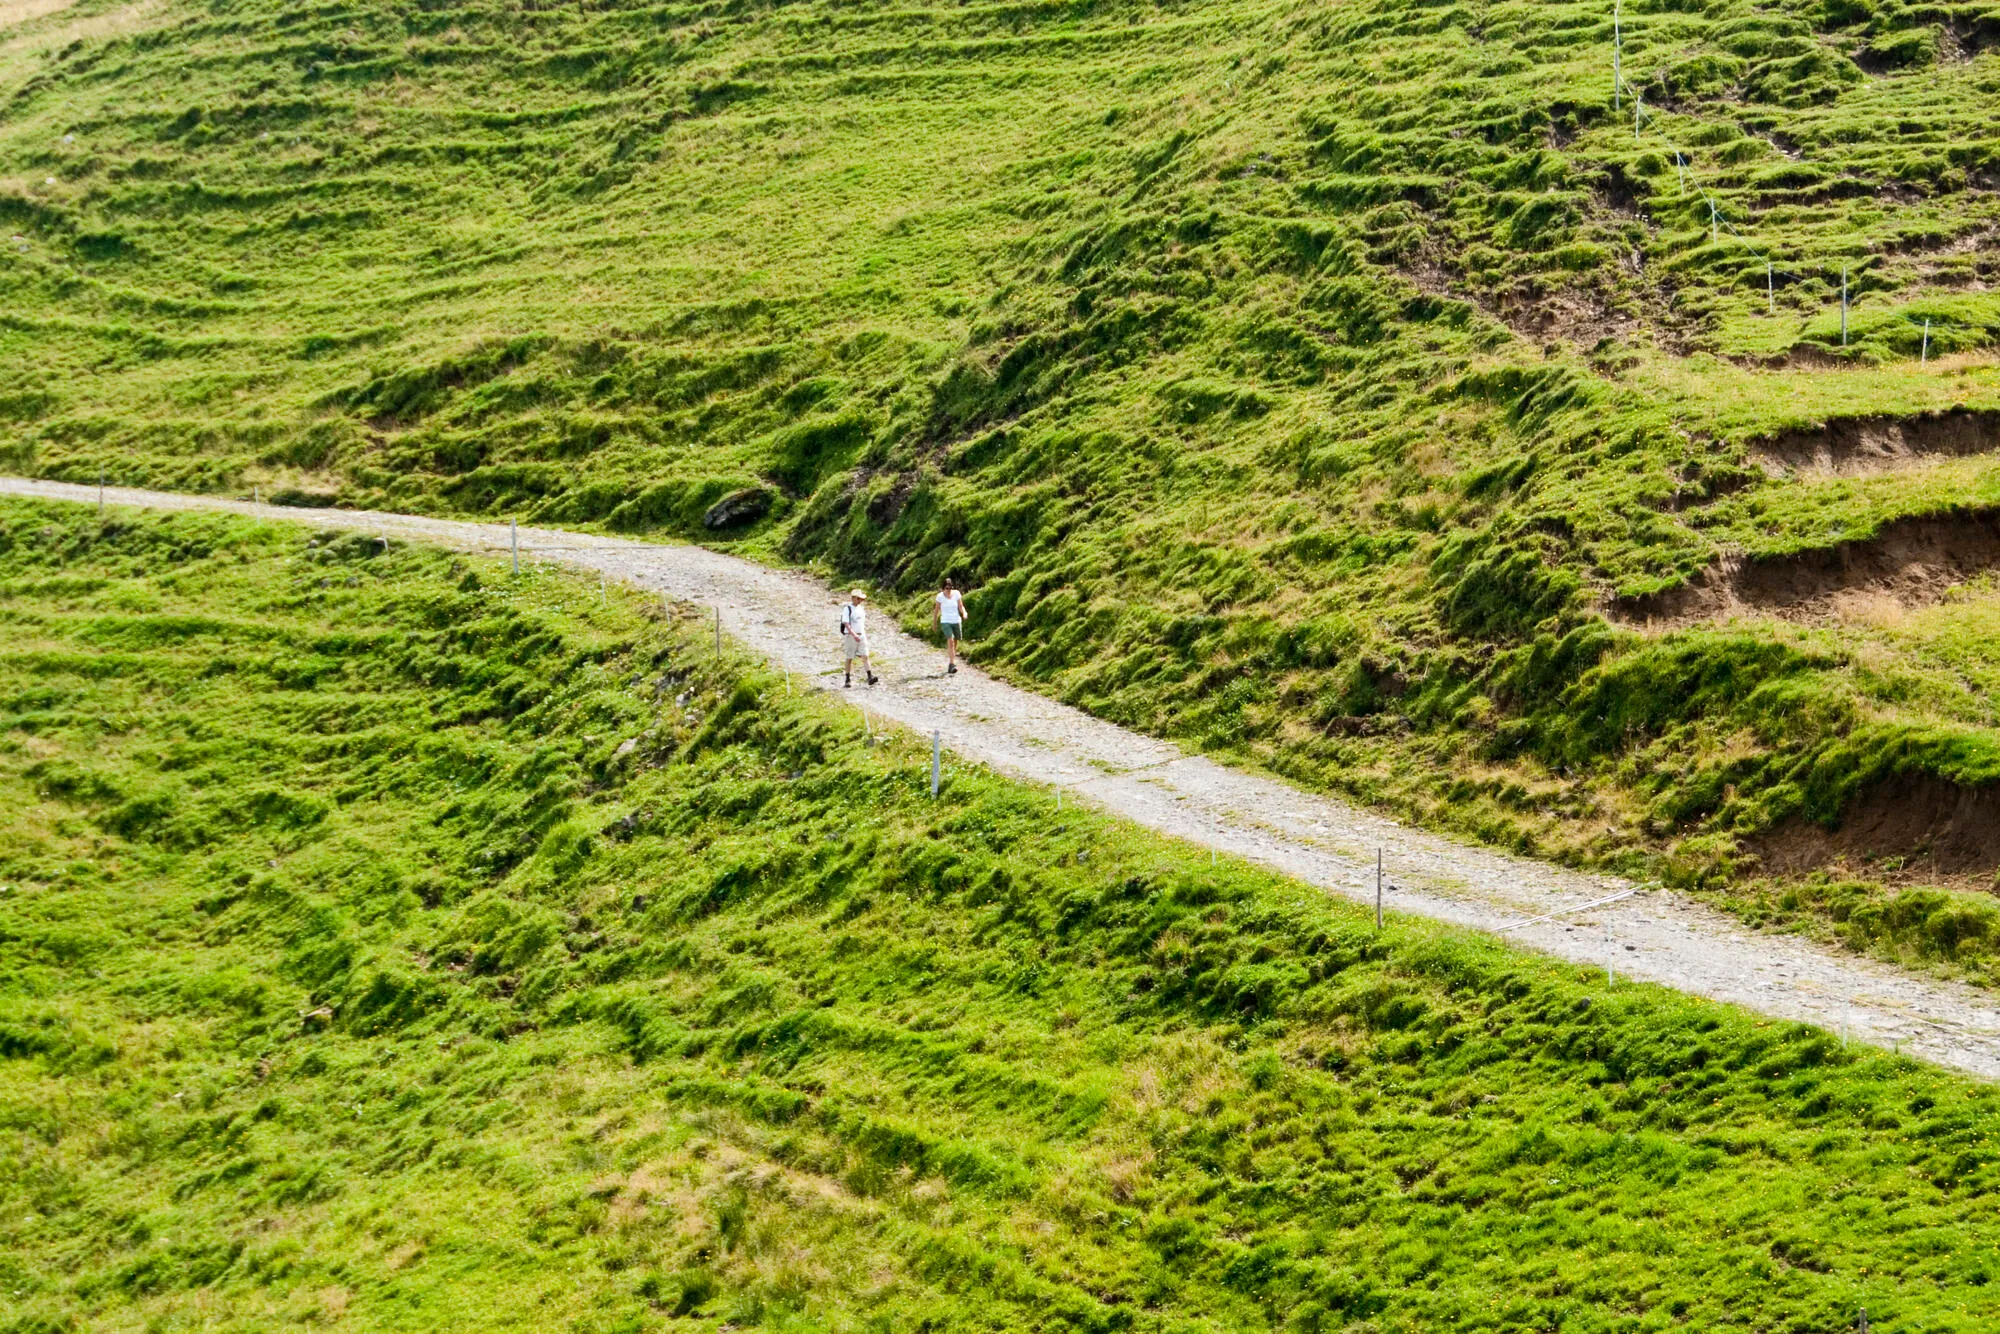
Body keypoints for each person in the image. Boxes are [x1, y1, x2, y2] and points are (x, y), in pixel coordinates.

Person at [840, 589, 877, 688]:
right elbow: (846, 623)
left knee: (865, 655)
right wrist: (854, 634)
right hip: (851, 636)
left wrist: (862, 634)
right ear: (853, 598)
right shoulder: (847, 609)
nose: (860, 600)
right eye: (858, 598)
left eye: (861, 599)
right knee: (849, 657)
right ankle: (847, 679)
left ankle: (870, 676)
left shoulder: (861, 608)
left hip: (861, 635)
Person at [933, 577, 966, 675]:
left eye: (950, 588)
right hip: (945, 621)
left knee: (955, 641)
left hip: (956, 620)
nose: (948, 590)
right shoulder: (940, 597)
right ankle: (952, 664)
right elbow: (936, 611)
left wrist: (964, 613)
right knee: (950, 639)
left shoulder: (956, 594)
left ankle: (952, 660)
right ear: (943, 588)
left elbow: (961, 606)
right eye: (946, 588)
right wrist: (934, 623)